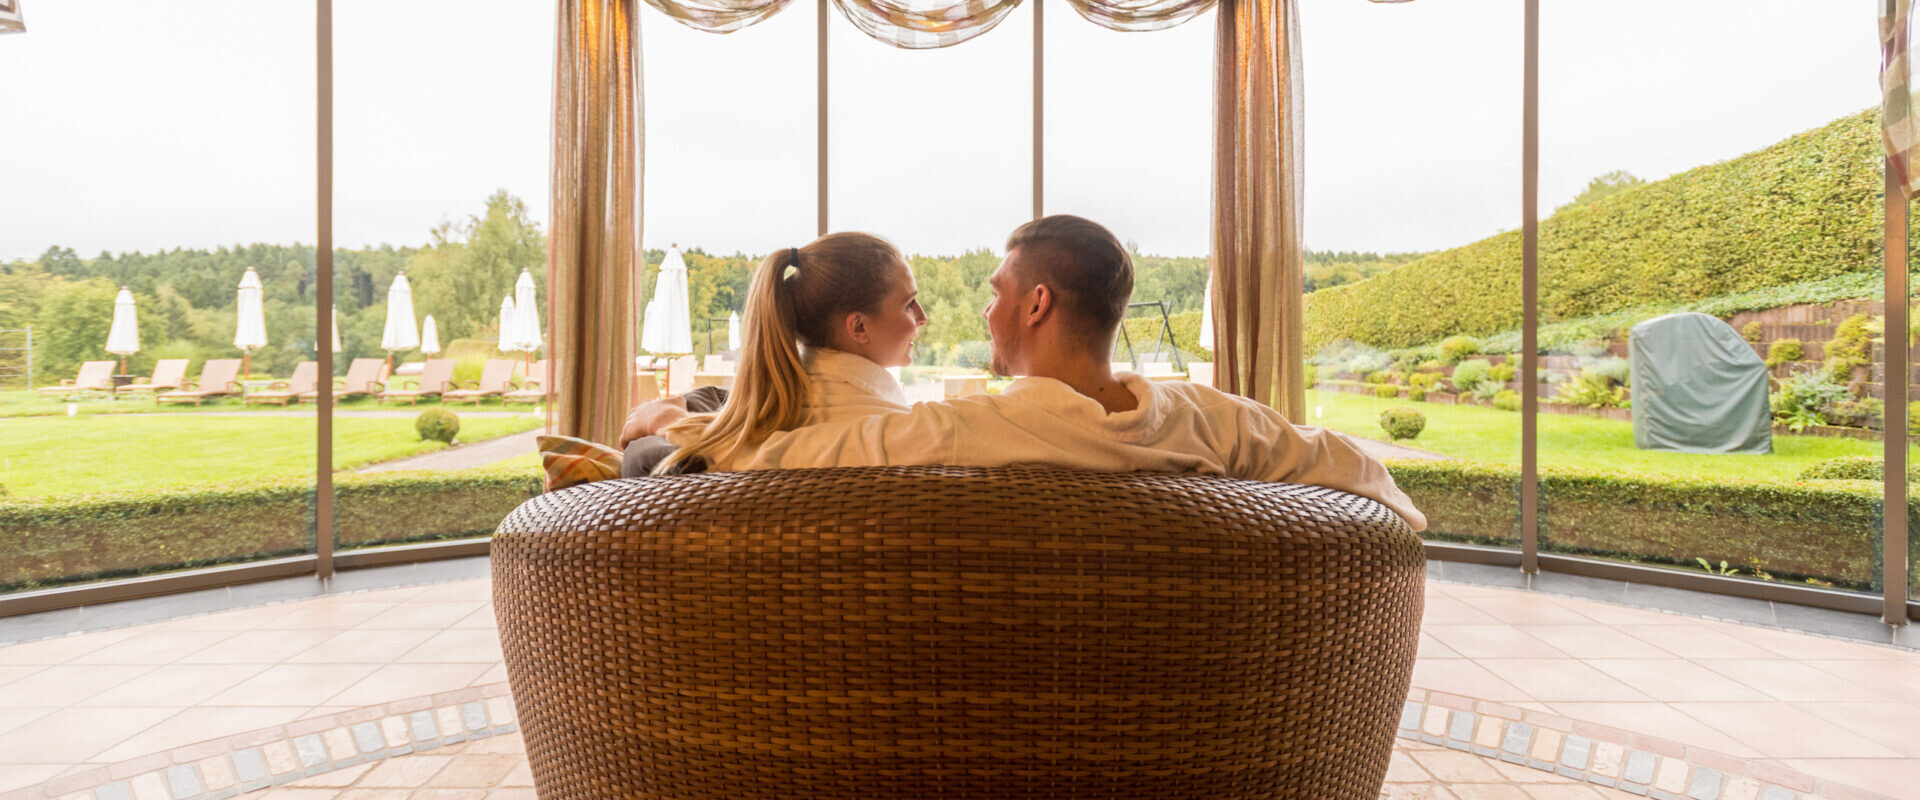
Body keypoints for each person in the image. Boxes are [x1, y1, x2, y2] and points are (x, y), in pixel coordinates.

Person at [635, 214, 1425, 530]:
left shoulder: (976, 428)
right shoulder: (1210, 419)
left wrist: (688, 432)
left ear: (1037, 303)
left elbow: (803, 454)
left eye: (997, 294)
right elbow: (1332, 457)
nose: (983, 313)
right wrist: (1397, 516)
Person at [618, 231, 927, 476]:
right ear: (858, 327)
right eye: (908, 304)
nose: (922, 316)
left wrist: (672, 421)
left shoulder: (774, 419)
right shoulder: (887, 429)